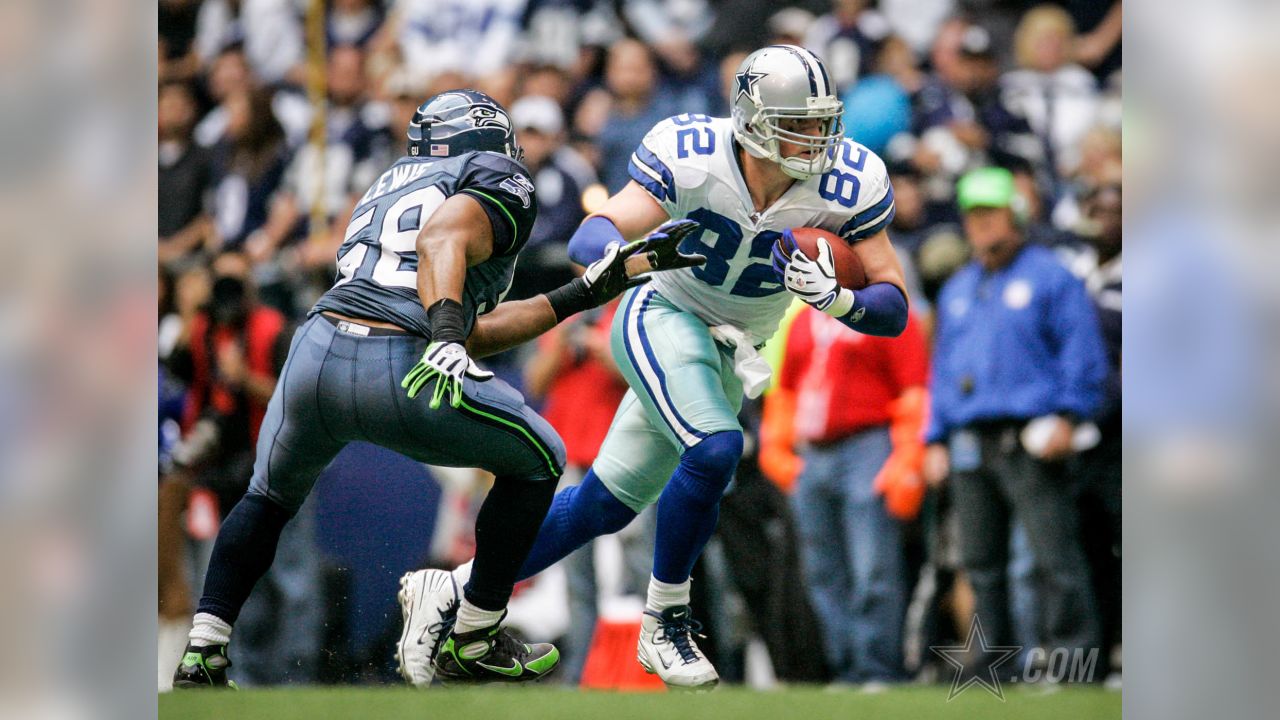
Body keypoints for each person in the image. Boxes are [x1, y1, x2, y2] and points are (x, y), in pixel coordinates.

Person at [400, 45, 910, 690]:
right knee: (718, 446)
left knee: (601, 508)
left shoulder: (850, 178)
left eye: (820, 121)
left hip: (729, 349)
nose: (816, 138)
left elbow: (893, 307)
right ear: (751, 119)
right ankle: (666, 618)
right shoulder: (694, 150)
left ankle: (451, 590)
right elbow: (597, 231)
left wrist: (841, 300)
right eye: (796, 122)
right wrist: (621, 257)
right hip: (662, 314)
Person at [172, 89, 702, 689]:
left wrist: (584, 293)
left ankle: (203, 651)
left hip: (315, 353)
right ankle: (475, 634)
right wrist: (445, 335)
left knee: (266, 499)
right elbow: (440, 248)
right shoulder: (492, 176)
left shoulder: (389, 182)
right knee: (540, 457)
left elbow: (467, 320)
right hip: (397, 358)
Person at [922, 166, 1106, 666]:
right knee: (981, 563)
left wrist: (1070, 415)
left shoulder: (1052, 277)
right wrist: (933, 436)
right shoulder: (959, 287)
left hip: (1030, 434)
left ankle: (1075, 663)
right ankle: (993, 667)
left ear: (1017, 214)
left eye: (990, 213)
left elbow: (1082, 354)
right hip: (967, 438)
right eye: (972, 215)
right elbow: (942, 367)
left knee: (1054, 558)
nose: (979, 224)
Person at [775, 305, 929, 684]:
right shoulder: (804, 319)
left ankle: (876, 667)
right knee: (821, 570)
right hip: (812, 449)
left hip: (868, 441)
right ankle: (846, 667)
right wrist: (777, 448)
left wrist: (908, 453)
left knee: (872, 565)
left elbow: (913, 385)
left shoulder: (887, 312)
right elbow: (787, 390)